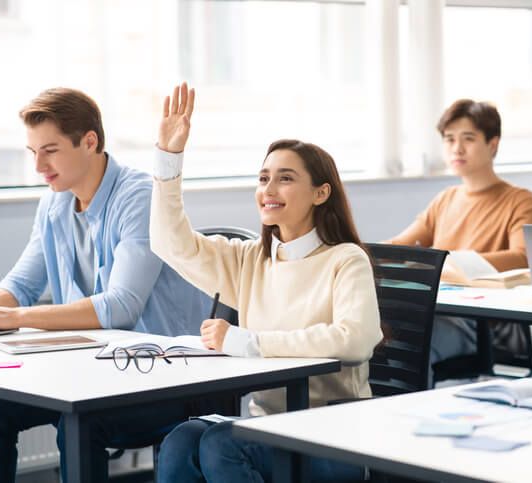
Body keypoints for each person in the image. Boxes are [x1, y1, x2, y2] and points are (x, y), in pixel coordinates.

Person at [0, 87, 219, 483]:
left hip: (164, 377)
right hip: (92, 373)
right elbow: (21, 285)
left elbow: (121, 305)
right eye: (33, 153)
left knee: (78, 424)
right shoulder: (54, 202)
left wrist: (11, 315)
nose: (39, 167)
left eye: (50, 150)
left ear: (90, 142)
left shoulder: (139, 197)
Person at [150, 83, 382, 482]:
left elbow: (356, 339)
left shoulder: (346, 259)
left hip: (337, 436)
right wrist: (169, 159)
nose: (268, 190)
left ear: (320, 193)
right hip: (268, 427)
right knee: (182, 440)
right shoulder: (251, 260)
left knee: (221, 444)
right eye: (263, 178)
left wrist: (249, 342)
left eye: (285, 179)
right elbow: (170, 244)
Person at [388, 99, 532, 385]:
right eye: (449, 140)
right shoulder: (446, 198)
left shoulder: (520, 200)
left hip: (474, 324)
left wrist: (450, 261)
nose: (456, 148)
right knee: (374, 341)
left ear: (492, 144)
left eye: (468, 139)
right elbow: (400, 245)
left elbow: (524, 257)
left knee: (405, 350)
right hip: (431, 311)